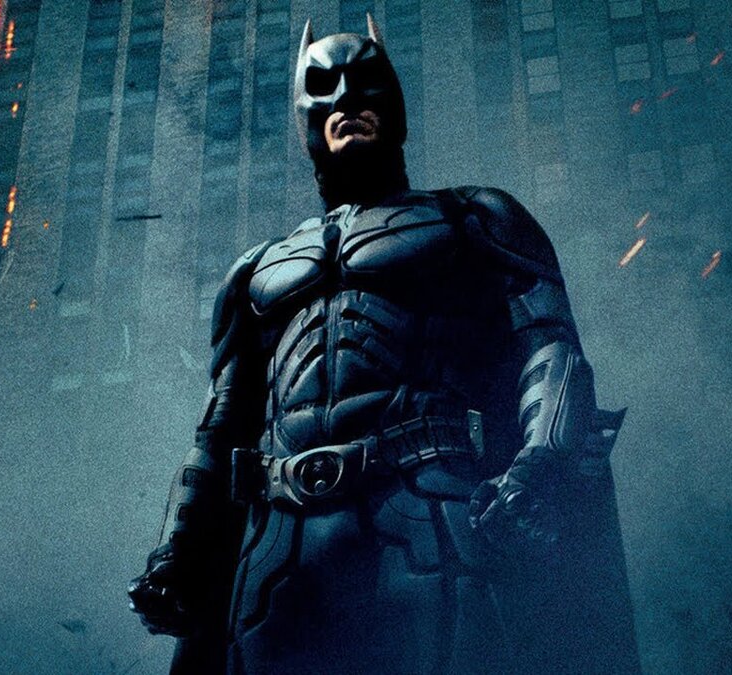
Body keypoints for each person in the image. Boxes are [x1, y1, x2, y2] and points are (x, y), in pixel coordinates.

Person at [128, 16, 638, 674]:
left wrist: (539, 468)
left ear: (395, 103)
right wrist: (179, 549)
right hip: (279, 541)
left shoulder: (472, 219)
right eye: (324, 85)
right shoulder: (255, 272)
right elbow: (220, 427)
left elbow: (550, 350)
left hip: (425, 506)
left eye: (365, 80)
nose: (345, 97)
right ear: (305, 116)